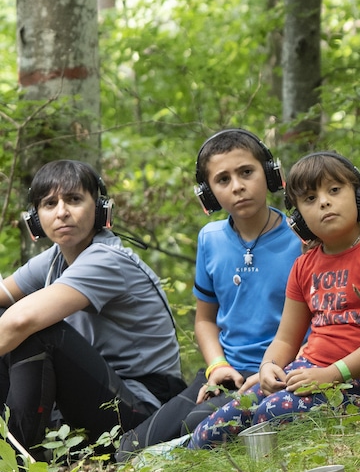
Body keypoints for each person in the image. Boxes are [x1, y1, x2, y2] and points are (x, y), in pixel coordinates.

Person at [189, 152, 360, 447]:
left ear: (359, 196)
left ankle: (264, 460)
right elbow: (285, 340)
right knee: (211, 429)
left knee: (271, 413)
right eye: (309, 198)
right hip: (306, 372)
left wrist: (331, 375)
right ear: (298, 217)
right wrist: (269, 366)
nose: (323, 202)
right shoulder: (304, 265)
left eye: (334, 190)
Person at [119, 129, 303, 455]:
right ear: (209, 193)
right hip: (228, 372)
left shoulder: (300, 237)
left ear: (271, 174)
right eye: (223, 179)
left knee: (195, 424)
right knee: (129, 448)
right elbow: (205, 319)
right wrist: (217, 366)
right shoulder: (211, 239)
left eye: (247, 172)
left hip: (279, 372)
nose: (237, 186)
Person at [0, 161, 184, 454]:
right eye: (50, 204)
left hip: (141, 409)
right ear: (35, 219)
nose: (62, 212)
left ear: (99, 210)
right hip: (101, 396)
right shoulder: (55, 259)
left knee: (36, 330)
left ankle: (14, 460)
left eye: (74, 199)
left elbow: (21, 321)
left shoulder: (106, 260)